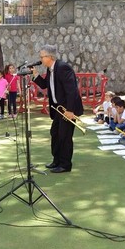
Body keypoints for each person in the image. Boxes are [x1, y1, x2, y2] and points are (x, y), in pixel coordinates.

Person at [32, 44, 83, 173]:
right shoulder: (50, 69)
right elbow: (45, 85)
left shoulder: (63, 68)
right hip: (57, 109)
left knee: (65, 136)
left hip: (67, 108)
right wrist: (36, 74)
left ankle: (65, 165)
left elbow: (72, 91)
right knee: (55, 133)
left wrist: (70, 111)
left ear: (50, 57)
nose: (41, 59)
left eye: (42, 56)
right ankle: (57, 160)